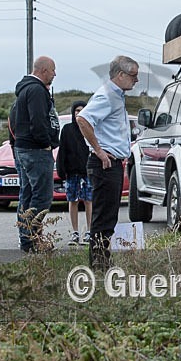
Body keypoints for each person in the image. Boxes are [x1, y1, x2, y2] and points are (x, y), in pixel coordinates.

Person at [77, 55, 139, 270]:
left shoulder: (117, 96)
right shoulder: (106, 96)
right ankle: (99, 263)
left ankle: (103, 259)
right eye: (133, 75)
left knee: (108, 215)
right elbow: (83, 119)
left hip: (113, 162)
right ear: (120, 75)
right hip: (104, 163)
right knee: (103, 217)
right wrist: (99, 150)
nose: (136, 80)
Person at [12, 56, 60, 253]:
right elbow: (38, 121)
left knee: (27, 195)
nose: (55, 74)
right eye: (53, 70)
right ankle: (33, 240)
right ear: (43, 70)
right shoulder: (37, 90)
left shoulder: (25, 90)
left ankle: (27, 240)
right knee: (41, 197)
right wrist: (46, 143)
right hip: (36, 150)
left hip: (23, 148)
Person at [56, 101, 92, 245]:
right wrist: (61, 169)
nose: (79, 113)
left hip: (87, 172)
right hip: (72, 172)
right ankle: (75, 232)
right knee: (73, 201)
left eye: (82, 110)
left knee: (89, 201)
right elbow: (62, 151)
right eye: (76, 110)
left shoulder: (90, 128)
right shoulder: (67, 129)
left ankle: (90, 231)